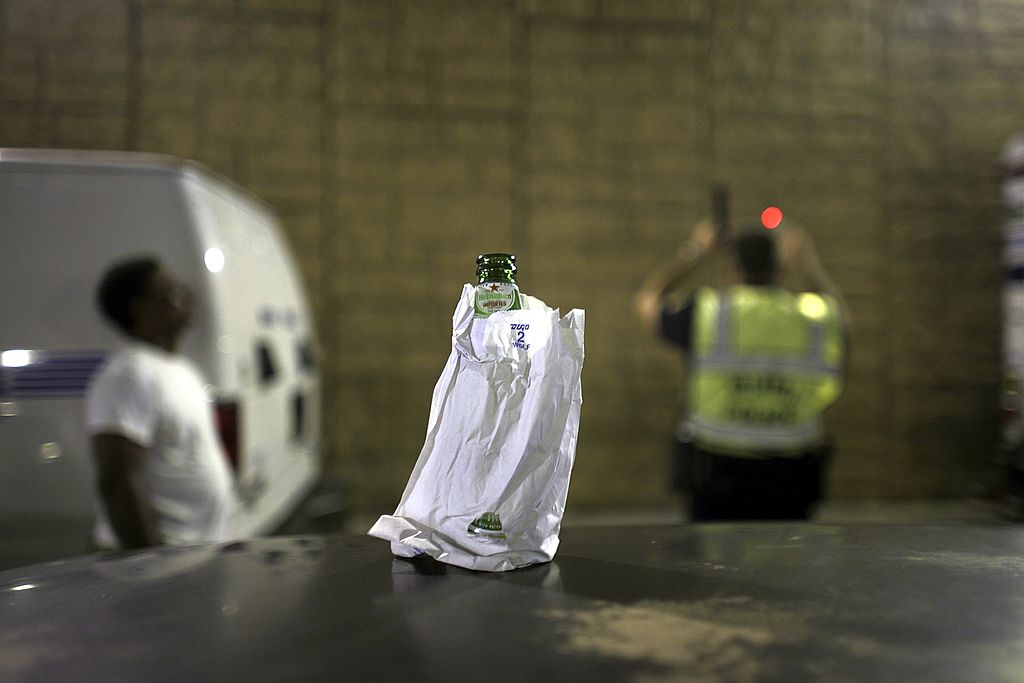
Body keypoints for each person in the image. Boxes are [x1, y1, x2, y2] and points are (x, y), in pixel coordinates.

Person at [634, 219, 848, 521]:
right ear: (781, 269)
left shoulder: (709, 313)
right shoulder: (812, 317)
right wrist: (808, 264)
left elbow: (648, 301)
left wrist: (697, 251)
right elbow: (841, 320)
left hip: (717, 473)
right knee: (792, 562)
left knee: (709, 563)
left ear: (731, 269)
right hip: (792, 473)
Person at [85, 257, 235, 549]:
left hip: (193, 554)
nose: (185, 295)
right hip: (160, 565)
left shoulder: (179, 369)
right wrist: (151, 562)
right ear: (141, 308)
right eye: (170, 290)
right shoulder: (128, 375)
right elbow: (117, 480)